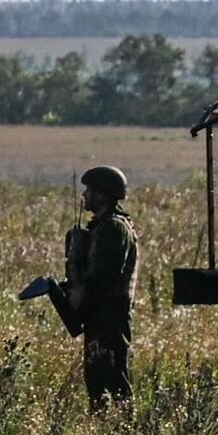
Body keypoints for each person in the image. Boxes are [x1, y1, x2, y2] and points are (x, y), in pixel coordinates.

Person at [69, 165, 138, 410]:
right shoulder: (102, 226)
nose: (85, 195)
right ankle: (107, 431)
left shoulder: (113, 228)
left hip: (110, 314)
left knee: (111, 380)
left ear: (103, 194)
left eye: (90, 190)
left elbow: (103, 277)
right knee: (98, 380)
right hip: (100, 315)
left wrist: (79, 268)